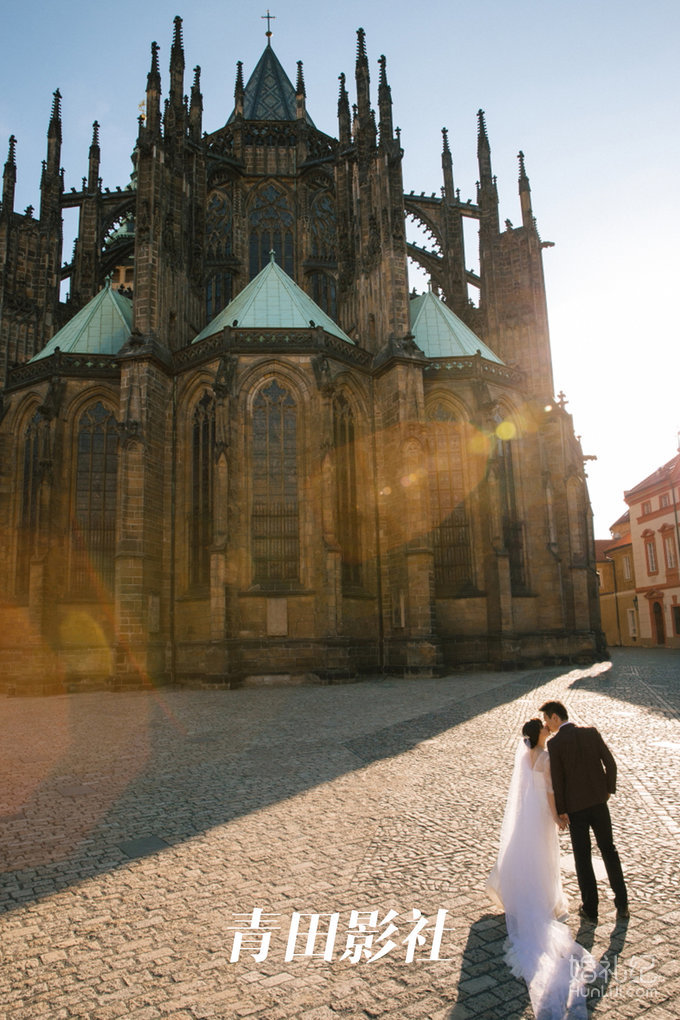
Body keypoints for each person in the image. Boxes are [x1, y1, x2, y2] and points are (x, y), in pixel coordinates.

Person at [486, 719, 597, 1019]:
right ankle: (544, 898)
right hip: (540, 810)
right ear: (539, 734)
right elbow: (549, 791)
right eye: (545, 729)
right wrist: (558, 815)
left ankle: (518, 892)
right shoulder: (545, 756)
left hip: (526, 812)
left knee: (525, 853)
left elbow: (523, 790)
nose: (549, 730)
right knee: (544, 856)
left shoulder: (526, 755)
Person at [540, 700, 628, 925]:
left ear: (556, 717)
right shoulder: (591, 732)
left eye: (547, 719)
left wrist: (561, 811)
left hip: (576, 809)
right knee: (609, 850)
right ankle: (622, 903)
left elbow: (558, 781)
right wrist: (608, 790)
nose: (546, 725)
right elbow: (611, 764)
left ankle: (591, 908)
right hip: (599, 803)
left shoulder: (556, 743)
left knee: (583, 857)